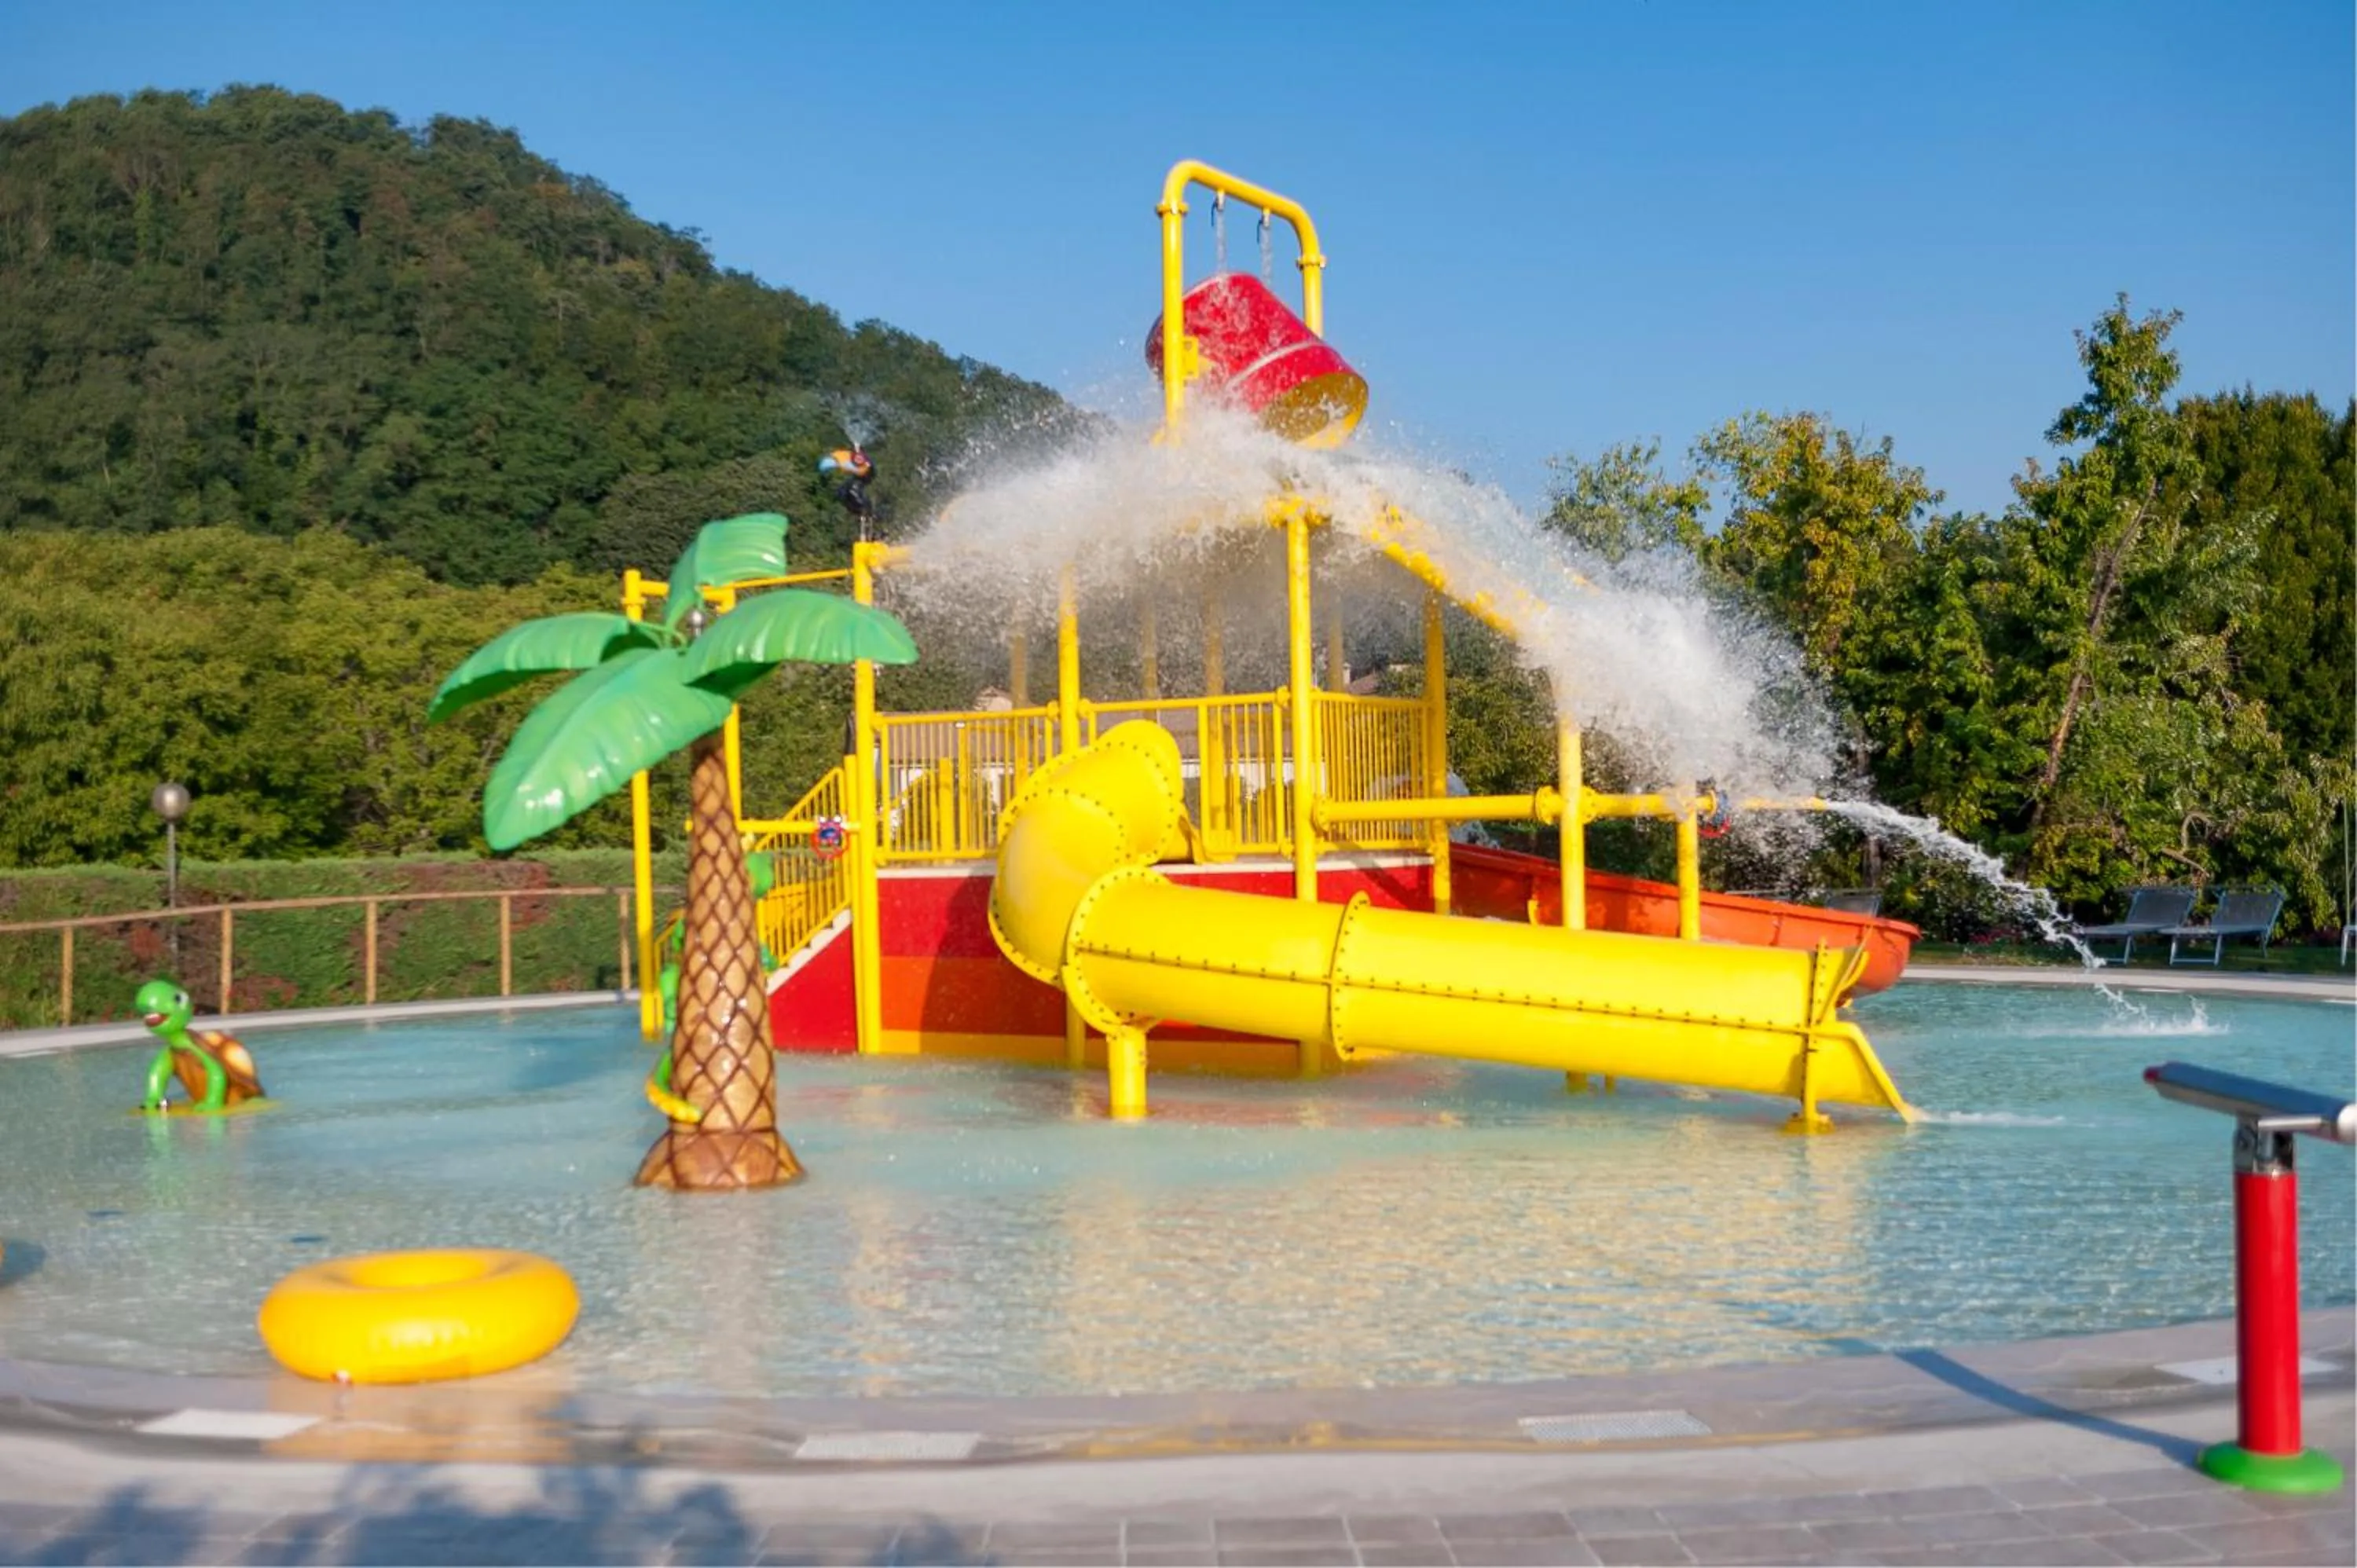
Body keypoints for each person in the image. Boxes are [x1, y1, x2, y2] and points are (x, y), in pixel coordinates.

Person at [819, 446, 876, 531]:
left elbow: (868, 472)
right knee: (842, 493)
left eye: (860, 456)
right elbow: (827, 462)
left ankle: (866, 511)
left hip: (863, 478)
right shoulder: (845, 457)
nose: (858, 458)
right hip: (853, 480)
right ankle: (859, 512)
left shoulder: (867, 464)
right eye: (857, 456)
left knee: (853, 490)